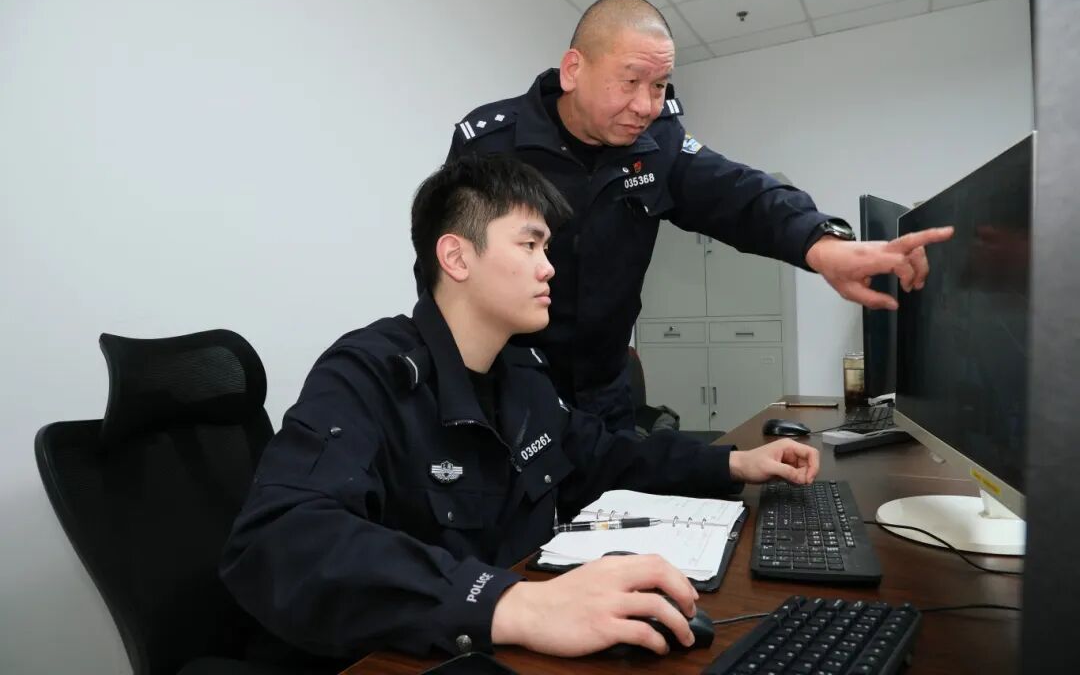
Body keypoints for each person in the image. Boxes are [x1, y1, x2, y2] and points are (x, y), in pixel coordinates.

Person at [220, 155, 820, 667]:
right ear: (456, 258)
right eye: (530, 244)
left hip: (503, 647)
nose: (548, 266)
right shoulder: (367, 373)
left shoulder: (520, 370)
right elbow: (280, 539)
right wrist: (513, 604)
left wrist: (734, 464)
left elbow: (601, 456)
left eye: (547, 248)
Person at [446, 0, 954, 431]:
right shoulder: (491, 146)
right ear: (574, 70)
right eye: (631, 81)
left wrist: (822, 244)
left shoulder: (656, 142)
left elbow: (738, 193)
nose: (646, 106)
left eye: (659, 85)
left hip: (604, 397)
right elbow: (446, 278)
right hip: (506, 391)